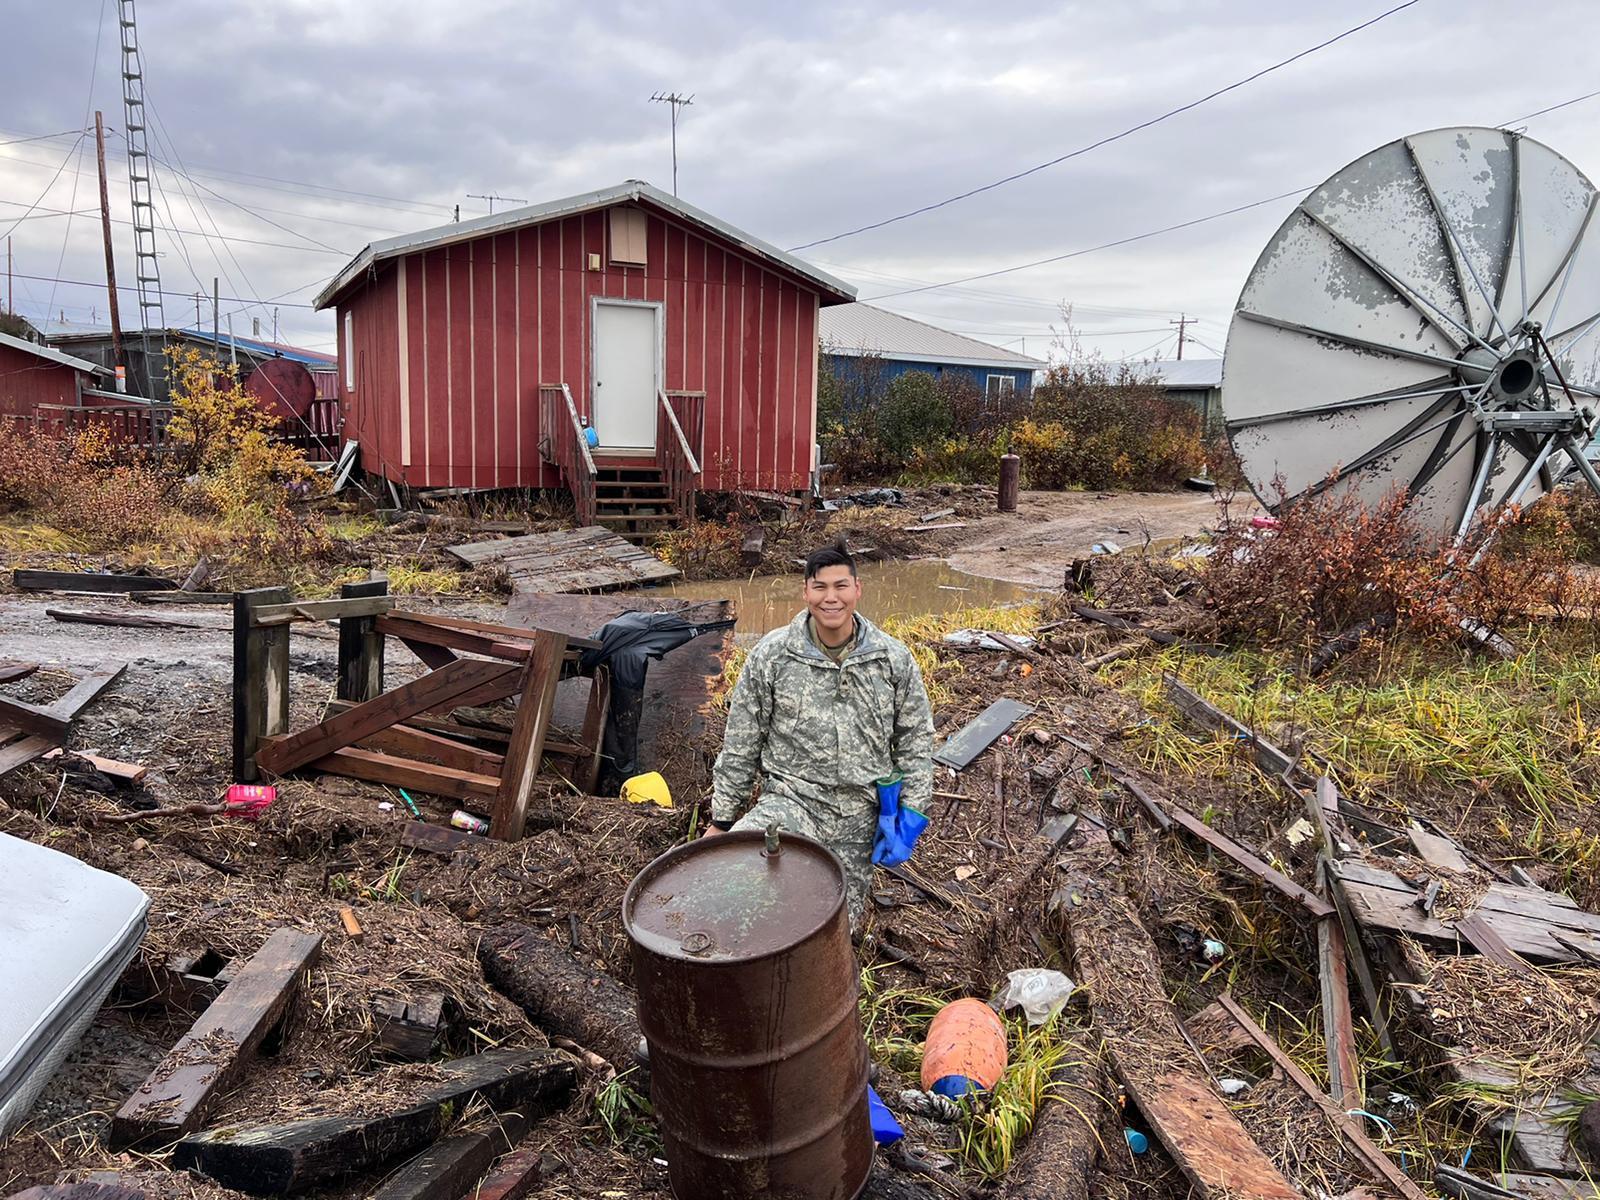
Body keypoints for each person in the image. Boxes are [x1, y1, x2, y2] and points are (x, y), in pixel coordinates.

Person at [707, 542, 934, 926]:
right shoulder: (773, 655)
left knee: (833, 928)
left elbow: (914, 740)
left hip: (860, 813)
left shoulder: (892, 659)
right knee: (733, 882)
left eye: (841, 586)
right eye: (820, 587)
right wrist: (723, 820)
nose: (831, 598)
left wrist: (909, 812)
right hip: (792, 802)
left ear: (858, 590)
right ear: (805, 592)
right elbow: (742, 741)